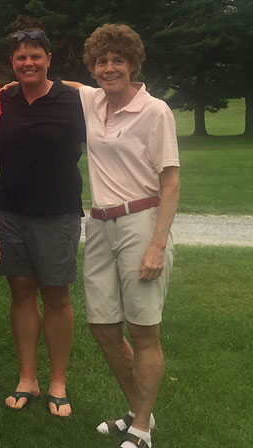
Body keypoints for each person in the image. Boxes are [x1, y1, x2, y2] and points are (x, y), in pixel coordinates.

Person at [77, 24, 180, 448]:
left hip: (141, 222)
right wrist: (13, 79)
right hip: (99, 225)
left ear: (133, 64)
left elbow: (170, 183)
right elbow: (53, 82)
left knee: (143, 330)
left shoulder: (155, 110)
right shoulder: (91, 99)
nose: (109, 68)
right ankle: (142, 412)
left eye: (118, 60)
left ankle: (140, 428)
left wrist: (157, 244)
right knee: (103, 328)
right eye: (102, 61)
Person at [0, 29, 85, 417]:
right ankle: (27, 377)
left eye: (35, 56)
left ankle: (58, 381)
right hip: (10, 210)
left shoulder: (75, 99)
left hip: (57, 212)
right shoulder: (5, 98)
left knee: (57, 297)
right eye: (20, 58)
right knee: (21, 294)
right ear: (12, 63)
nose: (28, 63)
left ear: (49, 57)